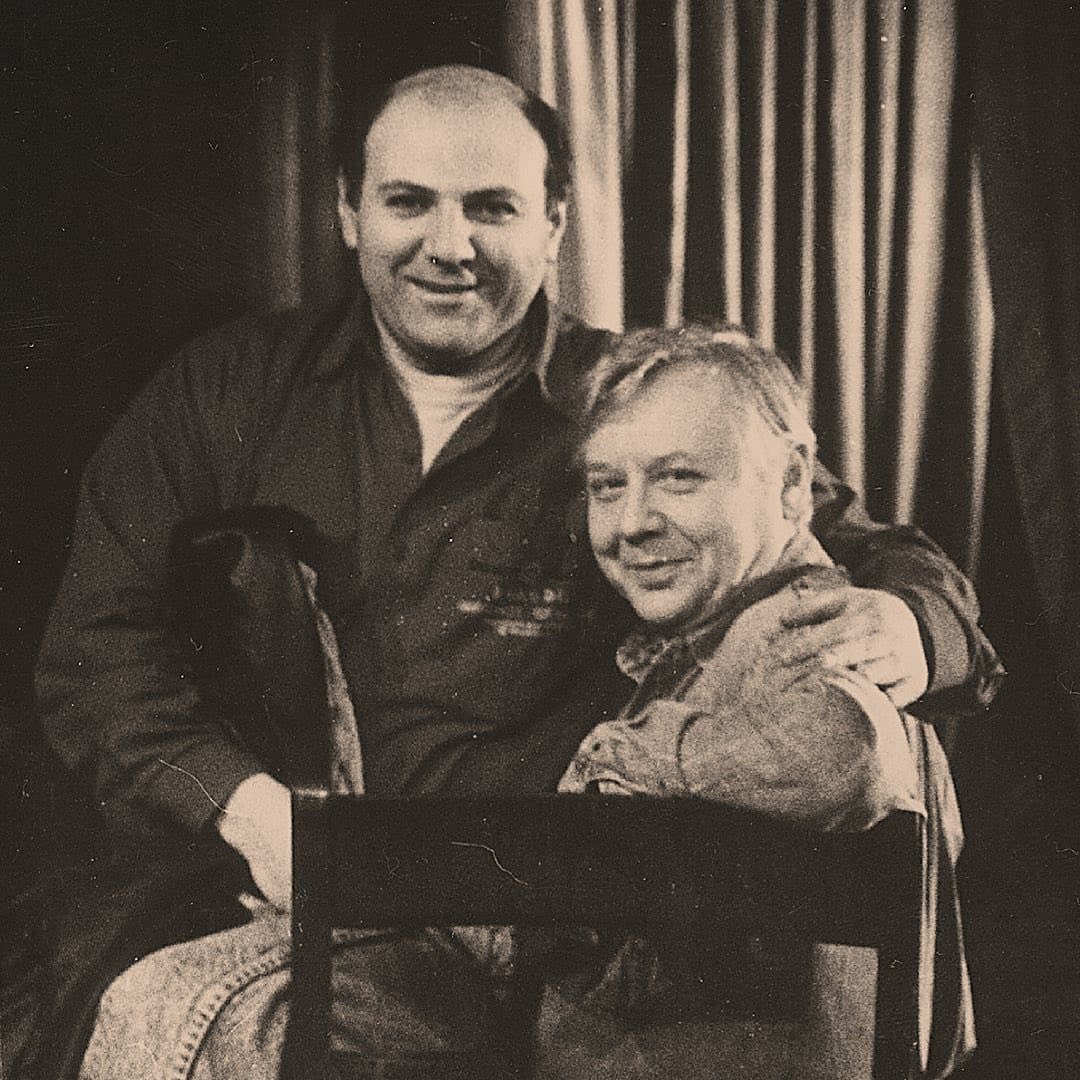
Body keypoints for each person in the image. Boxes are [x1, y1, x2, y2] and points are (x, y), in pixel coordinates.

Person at [33, 65, 1000, 1078]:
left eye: (491, 207)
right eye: (409, 202)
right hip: (268, 887)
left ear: (553, 223)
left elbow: (832, 538)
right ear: (350, 213)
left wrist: (913, 624)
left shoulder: (635, 402)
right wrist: (248, 809)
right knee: (168, 1024)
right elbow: (95, 653)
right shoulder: (226, 390)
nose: (450, 246)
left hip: (546, 936)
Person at [540, 325, 970, 1078]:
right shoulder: (721, 629)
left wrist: (618, 755)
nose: (632, 522)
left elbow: (842, 747)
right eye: (607, 485)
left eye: (678, 478)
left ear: (794, 484)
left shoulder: (808, 627)